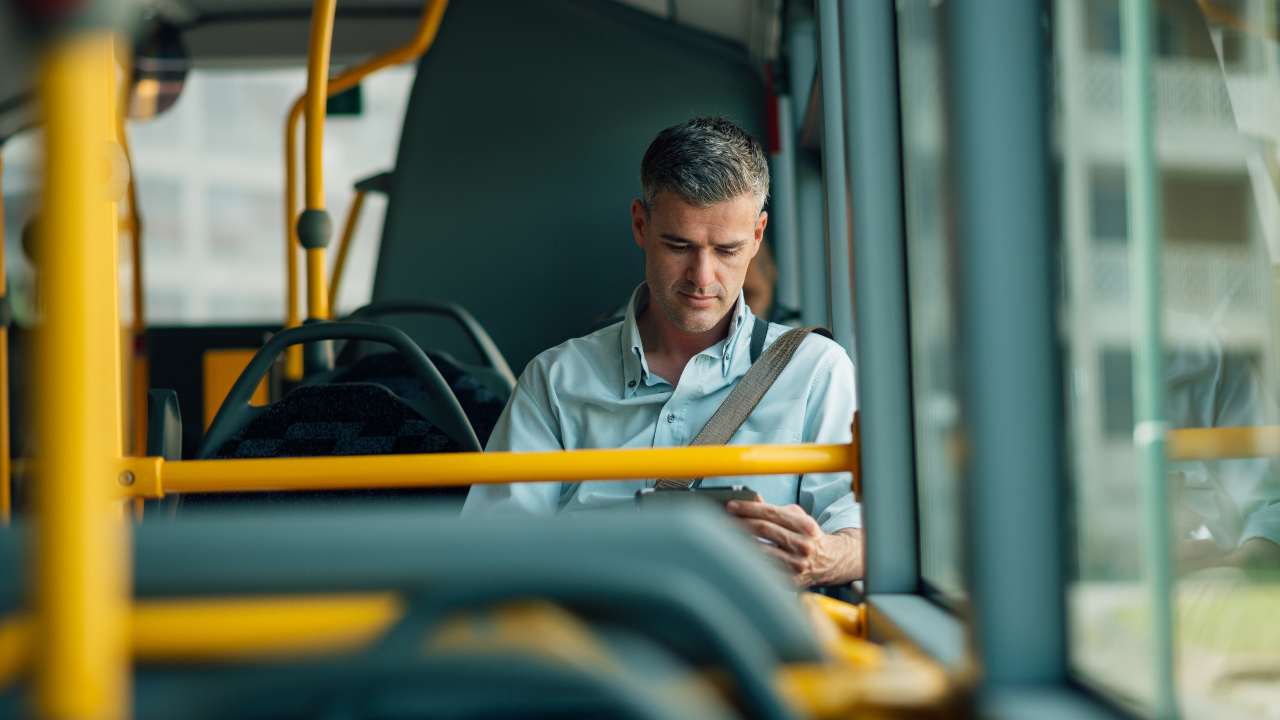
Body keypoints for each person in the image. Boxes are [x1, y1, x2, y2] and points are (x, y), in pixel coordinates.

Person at [463, 117, 863, 586]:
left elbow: (861, 534)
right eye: (679, 246)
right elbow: (491, 551)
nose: (702, 277)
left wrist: (822, 556)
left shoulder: (816, 370)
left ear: (757, 237)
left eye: (728, 250)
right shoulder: (555, 379)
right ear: (640, 224)